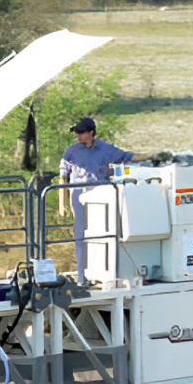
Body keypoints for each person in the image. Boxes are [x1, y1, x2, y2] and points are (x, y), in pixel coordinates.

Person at [58, 117, 142, 285]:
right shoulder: (71, 151)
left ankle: (105, 273)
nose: (78, 136)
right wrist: (62, 204)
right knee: (80, 235)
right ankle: (82, 276)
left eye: (81, 132)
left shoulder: (105, 148)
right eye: (77, 132)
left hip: (101, 193)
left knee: (103, 232)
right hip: (79, 193)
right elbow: (63, 177)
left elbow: (126, 156)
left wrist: (151, 157)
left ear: (91, 133)